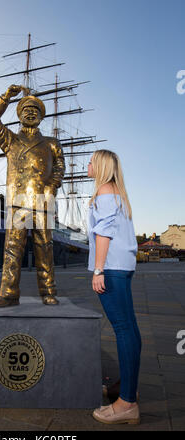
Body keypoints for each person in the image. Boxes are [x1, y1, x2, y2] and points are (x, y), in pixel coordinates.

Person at [0, 84, 65, 308]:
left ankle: (48, 291)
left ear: (41, 117)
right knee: (12, 248)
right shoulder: (10, 140)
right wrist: (6, 97)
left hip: (42, 199)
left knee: (44, 247)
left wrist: (52, 185)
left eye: (35, 111)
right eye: (26, 110)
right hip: (17, 200)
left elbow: (59, 167)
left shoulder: (51, 143)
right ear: (19, 115)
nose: (30, 113)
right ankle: (9, 293)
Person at [87, 149, 141, 425]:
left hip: (111, 268)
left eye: (91, 161)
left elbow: (103, 232)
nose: (88, 165)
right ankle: (127, 388)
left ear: (101, 166)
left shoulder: (104, 191)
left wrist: (98, 270)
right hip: (124, 266)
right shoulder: (119, 193)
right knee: (130, 329)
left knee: (123, 330)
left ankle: (126, 404)